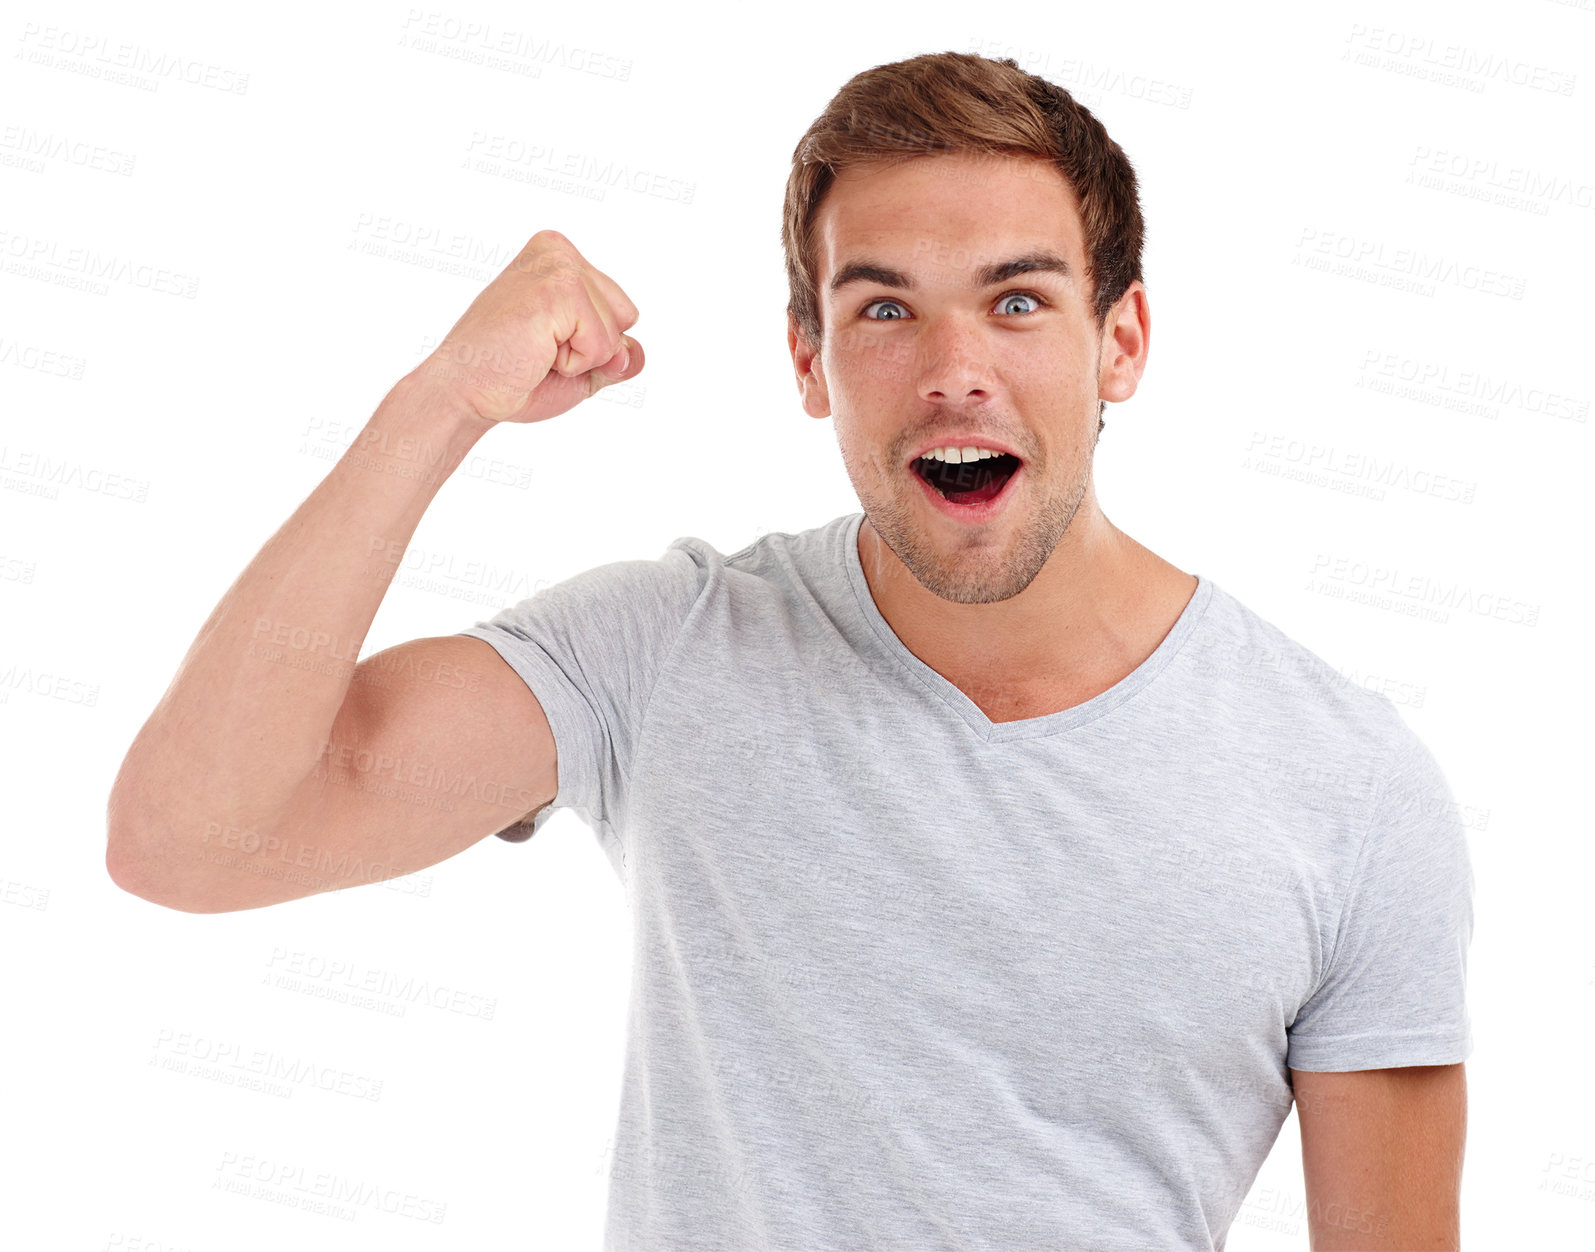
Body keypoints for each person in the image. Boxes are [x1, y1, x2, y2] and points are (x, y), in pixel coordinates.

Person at [107, 51, 1473, 1252]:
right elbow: (190, 838)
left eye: (1016, 302)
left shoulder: (1346, 785)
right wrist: (442, 402)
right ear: (810, 360)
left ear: (1121, 341)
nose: (953, 367)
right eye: (883, 308)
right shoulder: (663, 654)